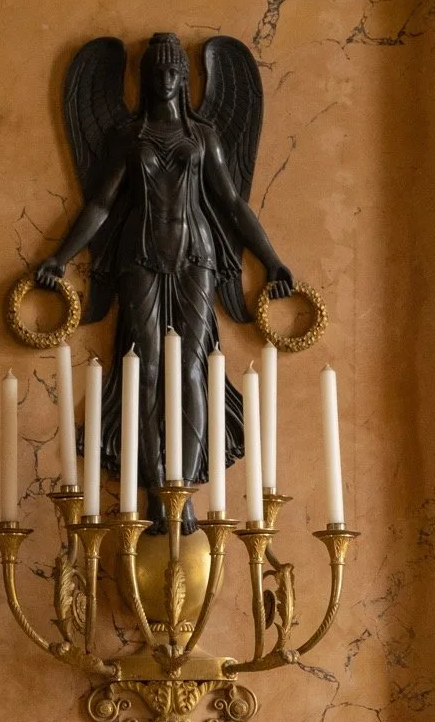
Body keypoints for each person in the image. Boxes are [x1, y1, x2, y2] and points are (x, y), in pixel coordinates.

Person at [36, 32, 292, 530]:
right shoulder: (127, 137)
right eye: (156, 71)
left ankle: (185, 491)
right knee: (146, 369)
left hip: (197, 255)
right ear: (145, 77)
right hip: (139, 255)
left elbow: (232, 203)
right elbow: (100, 204)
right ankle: (157, 494)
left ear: (186, 78)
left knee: (194, 368)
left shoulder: (204, 136)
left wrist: (271, 260)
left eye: (174, 70)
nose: (165, 79)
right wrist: (60, 258)